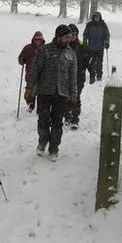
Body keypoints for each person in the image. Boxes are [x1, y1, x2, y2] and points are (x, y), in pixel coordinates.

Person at [28, 24, 77, 162]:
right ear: (59, 36)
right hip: (44, 91)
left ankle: (54, 148)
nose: (69, 40)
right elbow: (35, 70)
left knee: (57, 123)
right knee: (43, 120)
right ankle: (42, 142)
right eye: (66, 37)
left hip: (62, 94)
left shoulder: (71, 54)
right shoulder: (45, 50)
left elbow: (73, 77)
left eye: (70, 37)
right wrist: (29, 88)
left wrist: (73, 94)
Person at [64, 23, 90, 129]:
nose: (73, 36)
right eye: (71, 34)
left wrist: (92, 71)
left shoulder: (82, 46)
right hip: (65, 76)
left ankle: (75, 118)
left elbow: (87, 61)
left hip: (79, 76)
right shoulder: (63, 46)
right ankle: (67, 116)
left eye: (75, 34)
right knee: (65, 96)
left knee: (76, 96)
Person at [18, 31, 45, 112]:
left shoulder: (44, 49)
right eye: (36, 40)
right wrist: (22, 60)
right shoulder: (28, 48)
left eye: (39, 40)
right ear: (33, 39)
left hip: (41, 74)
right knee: (30, 91)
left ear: (42, 40)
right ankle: (31, 102)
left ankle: (39, 108)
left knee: (40, 91)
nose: (38, 41)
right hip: (30, 73)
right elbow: (21, 58)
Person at [82, 11, 110, 84]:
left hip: (100, 47)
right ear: (93, 17)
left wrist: (107, 42)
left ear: (100, 17)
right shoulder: (89, 25)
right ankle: (92, 74)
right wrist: (85, 41)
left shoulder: (103, 25)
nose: (96, 18)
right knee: (91, 62)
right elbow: (85, 34)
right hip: (91, 47)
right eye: (95, 17)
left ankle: (99, 75)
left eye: (97, 17)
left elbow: (107, 34)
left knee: (99, 62)